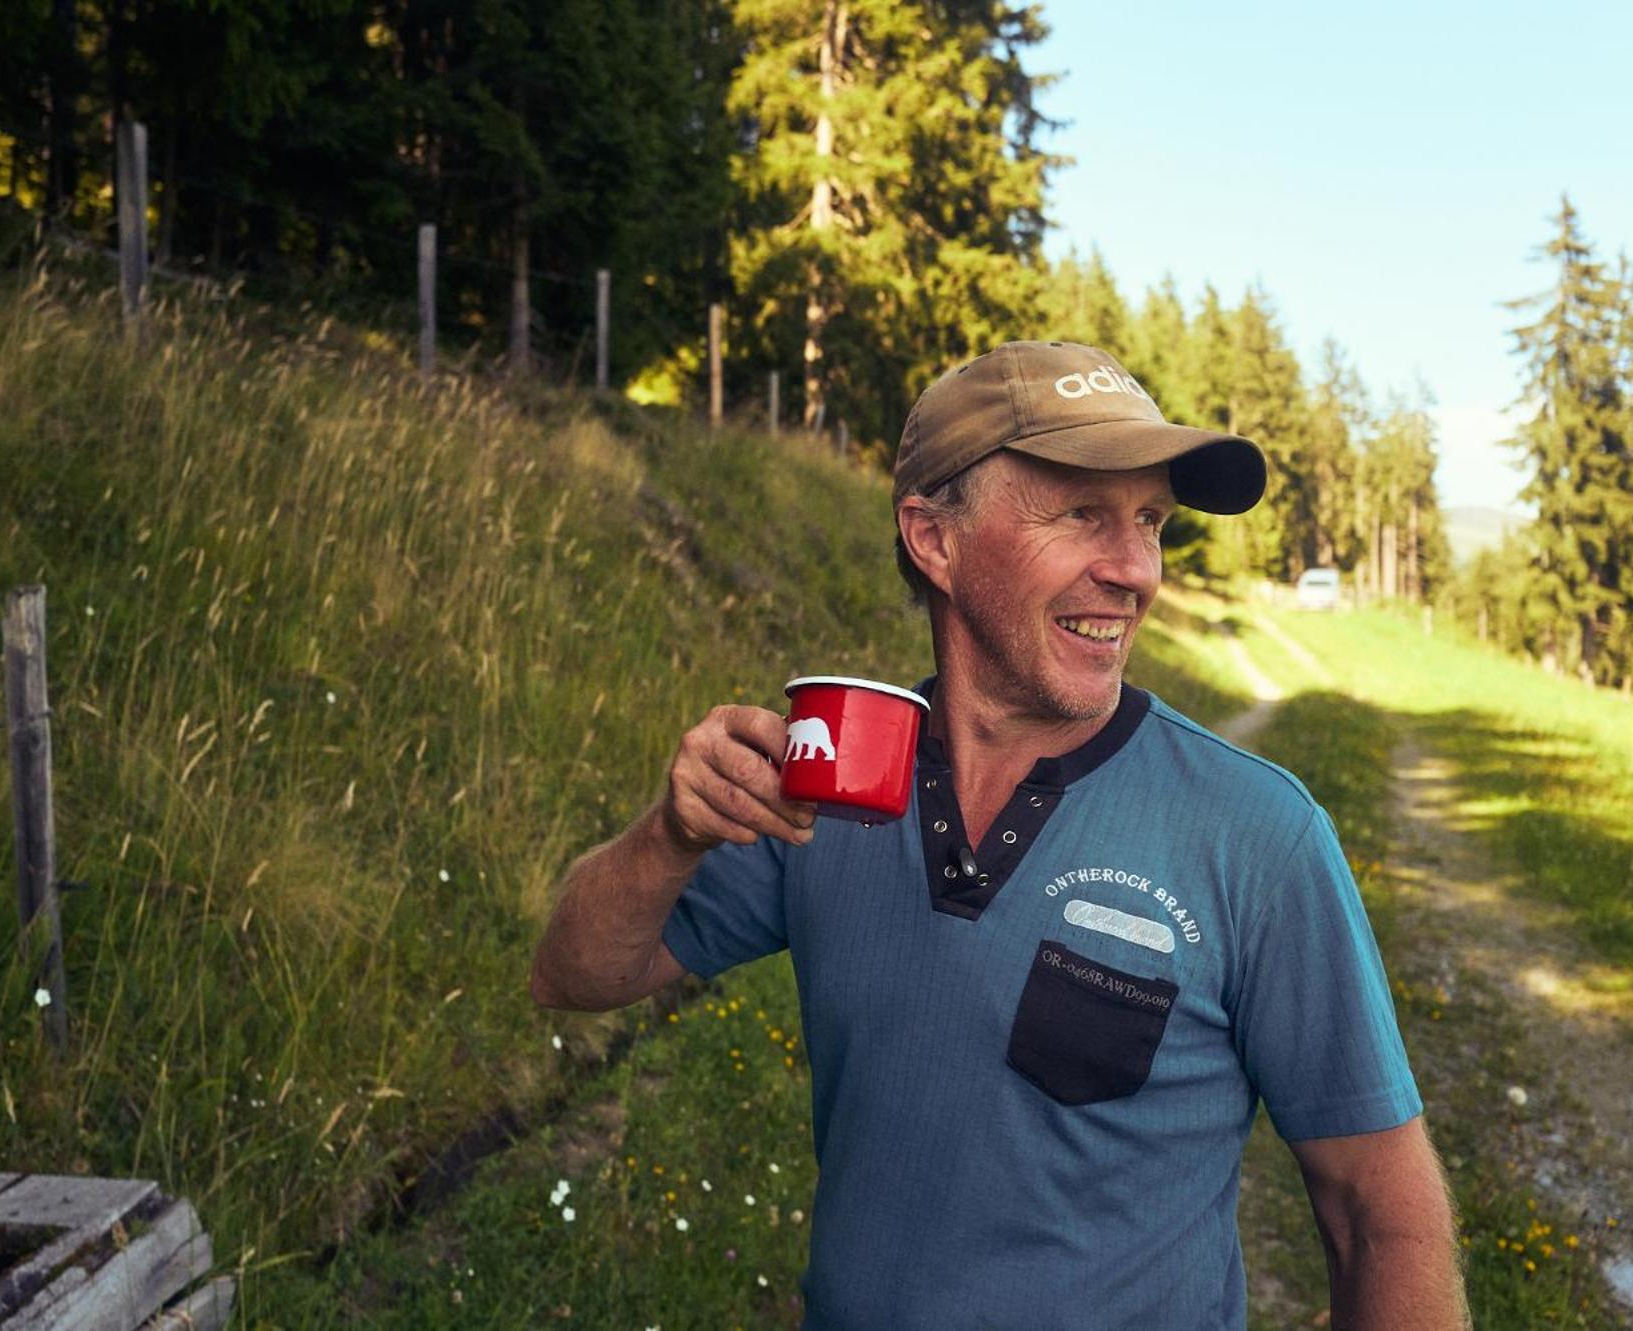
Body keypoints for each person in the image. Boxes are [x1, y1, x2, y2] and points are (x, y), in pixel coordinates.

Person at [530, 341, 1466, 1329]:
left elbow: (1382, 1218)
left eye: (1148, 520)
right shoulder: (825, 784)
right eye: (1080, 514)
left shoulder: (1259, 836)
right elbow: (572, 975)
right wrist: (670, 833)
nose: (1134, 570)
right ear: (932, 538)